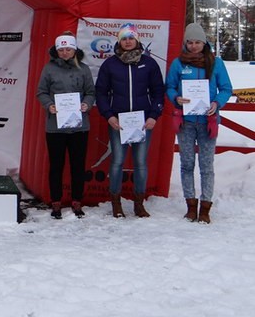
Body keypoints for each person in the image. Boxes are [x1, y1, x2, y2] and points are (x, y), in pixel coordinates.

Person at [95, 23, 164, 218]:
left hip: (143, 121)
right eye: (124, 38)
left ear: (137, 40)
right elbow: (101, 92)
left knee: (140, 162)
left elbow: (158, 91)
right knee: (117, 160)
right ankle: (116, 203)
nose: (127, 42)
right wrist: (109, 116)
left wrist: (153, 115)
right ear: (119, 41)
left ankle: (139, 204)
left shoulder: (149, 63)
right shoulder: (110, 64)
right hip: (119, 121)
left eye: (131, 38)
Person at [165, 22, 232, 224]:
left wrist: (216, 103)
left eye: (197, 42)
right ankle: (191, 206)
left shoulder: (216, 63)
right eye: (190, 42)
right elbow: (170, 87)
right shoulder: (178, 64)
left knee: (206, 165)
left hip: (207, 121)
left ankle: (205, 207)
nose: (193, 46)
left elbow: (226, 88)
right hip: (185, 122)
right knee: (186, 164)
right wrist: (176, 98)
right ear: (185, 43)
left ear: (204, 43)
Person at [36, 32, 96, 219]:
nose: (64, 53)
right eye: (61, 50)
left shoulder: (83, 69)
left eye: (68, 49)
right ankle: (56, 202)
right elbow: (41, 92)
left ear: (74, 50)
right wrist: (49, 105)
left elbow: (90, 92)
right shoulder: (49, 69)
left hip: (79, 126)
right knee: (56, 165)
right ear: (56, 51)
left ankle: (77, 201)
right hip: (55, 127)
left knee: (78, 165)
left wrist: (86, 104)